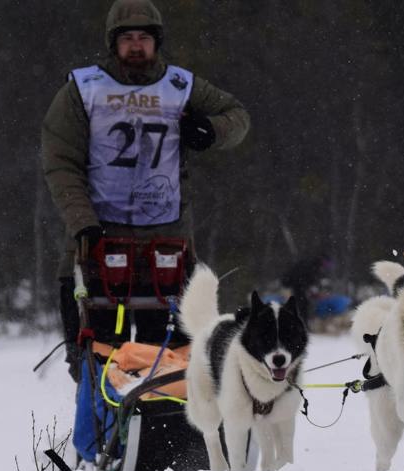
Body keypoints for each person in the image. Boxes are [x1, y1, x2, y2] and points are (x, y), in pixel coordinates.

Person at [42, 0, 250, 379]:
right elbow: (60, 162)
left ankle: (167, 433)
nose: (136, 46)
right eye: (127, 38)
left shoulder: (180, 86)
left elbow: (237, 117)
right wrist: (82, 222)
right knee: (98, 357)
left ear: (157, 42)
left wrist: (210, 130)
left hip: (167, 242)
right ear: (112, 43)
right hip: (98, 241)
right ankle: (103, 431)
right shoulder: (83, 89)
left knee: (172, 358)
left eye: (144, 37)